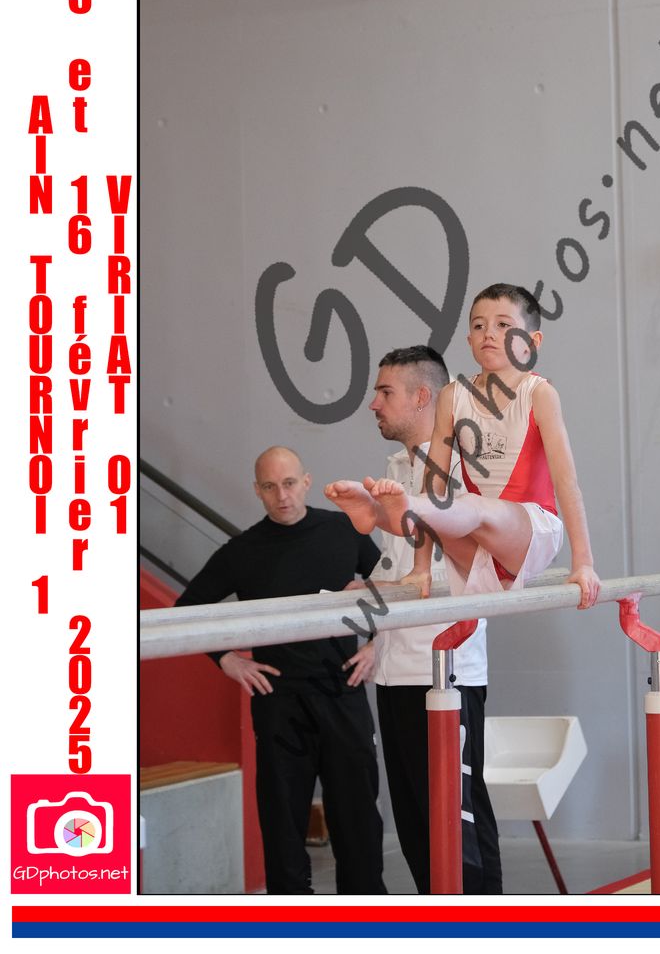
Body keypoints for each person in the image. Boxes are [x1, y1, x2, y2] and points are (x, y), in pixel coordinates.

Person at [175, 446, 387, 896]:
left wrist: (378, 645)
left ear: (306, 482)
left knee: (358, 821)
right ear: (257, 491)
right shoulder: (242, 551)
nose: (282, 496)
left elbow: (395, 589)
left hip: (342, 691)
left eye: (289, 484)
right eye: (270, 487)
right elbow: (186, 609)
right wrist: (226, 659)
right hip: (279, 703)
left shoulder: (343, 530)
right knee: (282, 823)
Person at [325, 283, 601, 609]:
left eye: (503, 325)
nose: (489, 333)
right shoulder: (453, 396)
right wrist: (421, 568)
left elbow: (566, 482)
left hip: (532, 532)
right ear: (469, 340)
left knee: (468, 505)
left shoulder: (539, 394)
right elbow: (434, 486)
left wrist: (584, 563)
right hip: (479, 550)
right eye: (479, 326)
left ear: (532, 342)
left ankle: (404, 510)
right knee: (441, 507)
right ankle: (376, 512)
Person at [367, 346, 502, 894]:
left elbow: (473, 563)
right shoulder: (396, 469)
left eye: (385, 392)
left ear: (423, 397)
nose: (374, 403)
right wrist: (366, 591)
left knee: (457, 824)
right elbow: (401, 568)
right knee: (417, 827)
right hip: (395, 670)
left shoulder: (465, 467)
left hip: (446, 670)